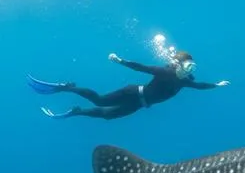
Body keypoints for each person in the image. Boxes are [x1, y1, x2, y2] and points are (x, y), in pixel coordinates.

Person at [27, 50, 230, 120]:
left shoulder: (184, 82)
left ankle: (77, 111)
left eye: (192, 67)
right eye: (188, 66)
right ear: (178, 63)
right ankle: (66, 87)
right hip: (132, 93)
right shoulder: (165, 72)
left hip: (139, 105)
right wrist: (120, 61)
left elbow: (201, 86)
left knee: (106, 116)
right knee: (100, 100)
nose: (190, 71)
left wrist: (217, 85)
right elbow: (140, 67)